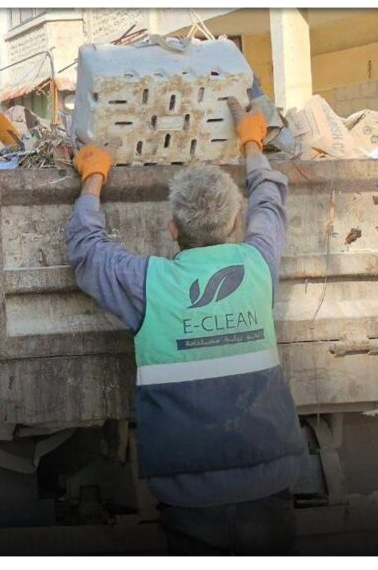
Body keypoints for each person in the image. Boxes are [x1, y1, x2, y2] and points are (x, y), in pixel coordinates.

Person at [66, 97, 306, 555]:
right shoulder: (257, 265)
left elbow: (87, 252)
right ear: (235, 224)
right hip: (271, 479)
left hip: (187, 495)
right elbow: (269, 205)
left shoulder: (148, 284)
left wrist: (93, 177)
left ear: (173, 229)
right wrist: (252, 145)